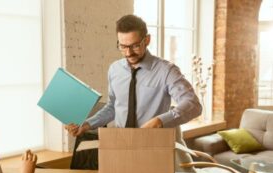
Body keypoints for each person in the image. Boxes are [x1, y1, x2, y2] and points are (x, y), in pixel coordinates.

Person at [66, 14, 202, 137]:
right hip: (121, 143)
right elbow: (113, 106)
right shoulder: (115, 70)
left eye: (135, 46)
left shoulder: (166, 71)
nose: (128, 53)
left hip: (154, 146)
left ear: (147, 40)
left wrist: (160, 121)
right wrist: (87, 124)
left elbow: (193, 104)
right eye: (123, 46)